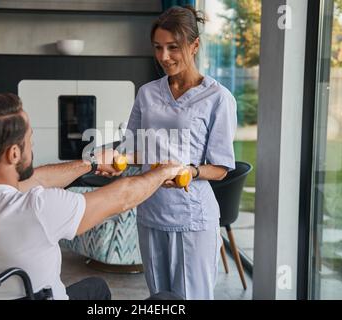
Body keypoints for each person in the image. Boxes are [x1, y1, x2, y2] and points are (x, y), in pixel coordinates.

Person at [0, 93, 184, 300]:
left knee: (96, 289)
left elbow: (37, 179)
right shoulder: (38, 210)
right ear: (13, 154)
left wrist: (92, 162)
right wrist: (163, 172)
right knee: (167, 300)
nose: (32, 145)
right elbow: (122, 197)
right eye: (29, 139)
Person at [124, 5, 237, 300]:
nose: (164, 57)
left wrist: (191, 171)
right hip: (149, 210)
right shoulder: (147, 92)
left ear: (194, 45)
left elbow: (221, 167)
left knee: (191, 297)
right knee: (159, 298)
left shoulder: (218, 98)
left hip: (192, 216)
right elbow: (134, 148)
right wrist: (111, 159)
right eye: (158, 47)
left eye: (173, 47)